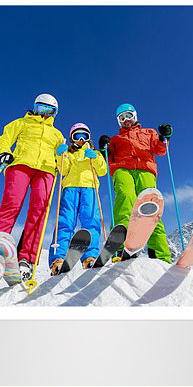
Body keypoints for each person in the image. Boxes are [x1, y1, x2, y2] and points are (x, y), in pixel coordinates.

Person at [0, 94, 65, 281]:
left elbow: (63, 161)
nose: (45, 113)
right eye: (41, 108)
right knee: (11, 205)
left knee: (39, 212)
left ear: (55, 113)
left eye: (49, 110)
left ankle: (27, 259)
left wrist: (62, 155)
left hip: (46, 172)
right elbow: (5, 138)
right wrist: (4, 152)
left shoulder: (57, 134)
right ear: (34, 107)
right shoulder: (21, 123)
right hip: (20, 165)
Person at [98, 104, 173, 263]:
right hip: (122, 169)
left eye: (128, 116)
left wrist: (164, 136)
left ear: (135, 116)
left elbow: (160, 150)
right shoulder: (116, 140)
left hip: (145, 170)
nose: (126, 120)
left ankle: (161, 257)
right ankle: (121, 248)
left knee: (150, 208)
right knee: (125, 198)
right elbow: (107, 159)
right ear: (119, 122)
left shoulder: (148, 132)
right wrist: (104, 148)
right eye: (122, 118)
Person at [49, 124, 108, 274]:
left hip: (90, 187)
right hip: (70, 188)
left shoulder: (93, 153)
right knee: (65, 221)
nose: (81, 139)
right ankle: (59, 257)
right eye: (77, 136)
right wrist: (60, 155)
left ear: (89, 138)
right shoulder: (69, 153)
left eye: (84, 136)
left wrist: (94, 158)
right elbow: (64, 170)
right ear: (71, 138)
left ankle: (90, 256)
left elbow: (102, 170)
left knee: (91, 220)